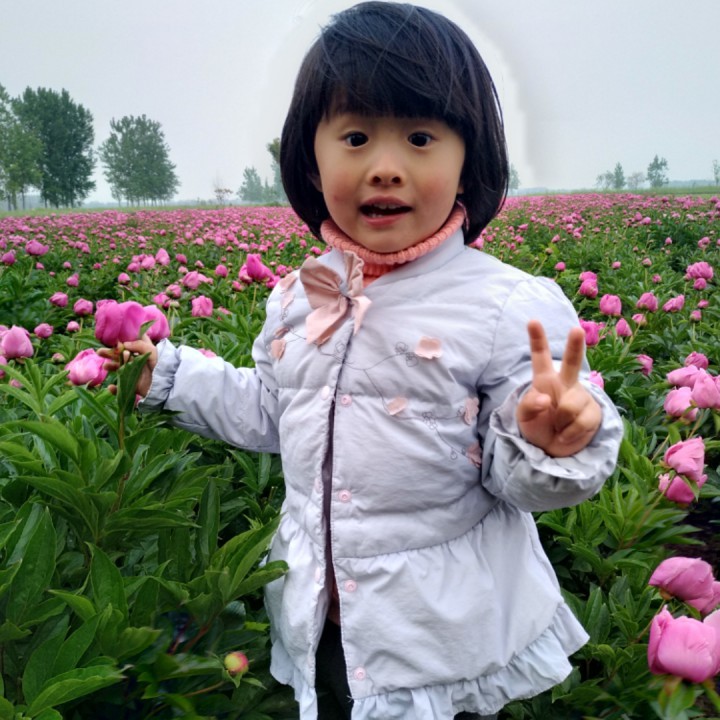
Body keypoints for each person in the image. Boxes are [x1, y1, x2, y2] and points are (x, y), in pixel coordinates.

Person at [106, 3, 623, 718]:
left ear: (468, 161)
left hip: (440, 636)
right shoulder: (299, 295)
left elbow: (519, 485)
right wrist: (167, 375)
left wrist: (550, 440)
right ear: (310, 162)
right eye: (354, 138)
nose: (384, 168)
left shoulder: (505, 305)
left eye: (420, 138)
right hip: (320, 612)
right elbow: (272, 411)